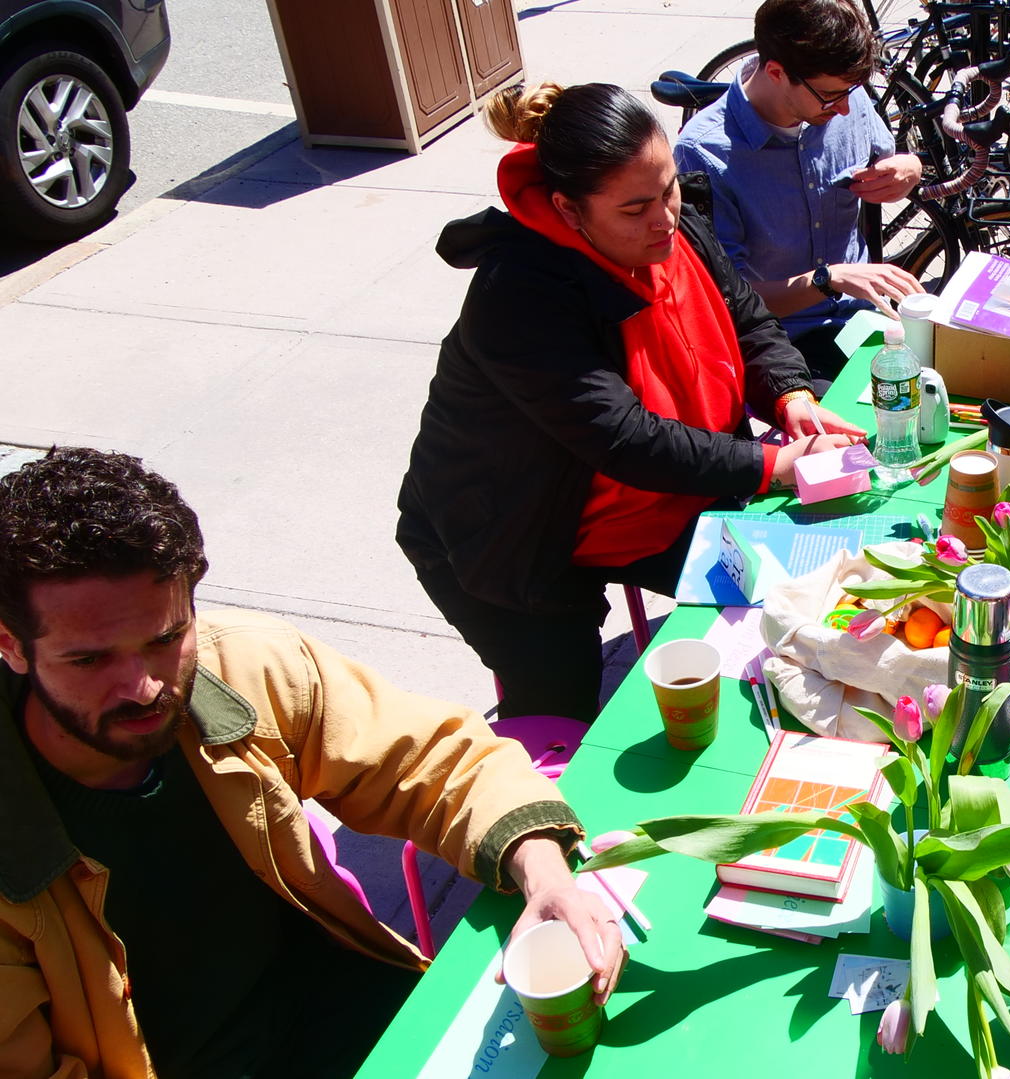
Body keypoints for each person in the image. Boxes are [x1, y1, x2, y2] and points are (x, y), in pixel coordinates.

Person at [0, 448, 624, 1079]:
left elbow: (437, 761)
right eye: (89, 661)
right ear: (10, 645)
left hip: (371, 1018)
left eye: (164, 639)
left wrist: (544, 876)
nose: (143, 687)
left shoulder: (246, 667)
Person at [397, 81, 865, 723]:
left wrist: (790, 394)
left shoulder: (672, 230)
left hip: (665, 501)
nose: (666, 217)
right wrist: (770, 465)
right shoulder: (521, 295)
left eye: (670, 187)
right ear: (569, 209)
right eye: (636, 207)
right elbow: (622, 436)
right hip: (517, 537)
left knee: (800, 607)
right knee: (559, 717)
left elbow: (749, 320)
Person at [674, 0, 927, 384]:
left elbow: (888, 160)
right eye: (830, 96)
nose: (844, 108)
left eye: (852, 92)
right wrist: (829, 279)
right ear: (775, 72)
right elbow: (725, 299)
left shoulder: (842, 93)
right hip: (781, 340)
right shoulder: (703, 152)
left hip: (866, 321)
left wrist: (911, 168)